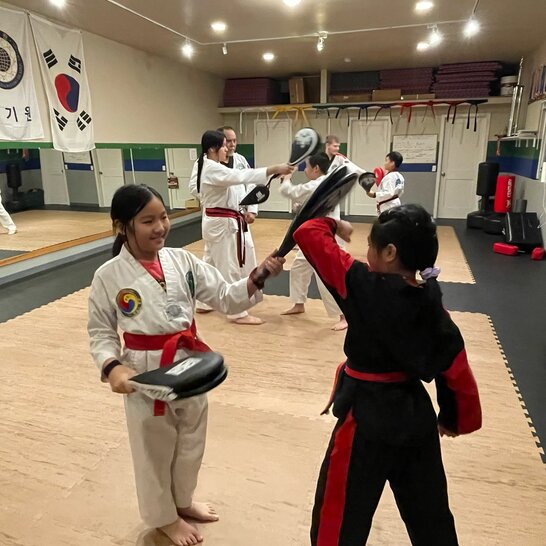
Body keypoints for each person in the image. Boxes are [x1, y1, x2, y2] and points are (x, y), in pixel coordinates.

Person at [88, 184, 285, 546]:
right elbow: (100, 332)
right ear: (121, 226)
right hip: (145, 374)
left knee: (191, 440)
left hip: (191, 363)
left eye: (163, 217)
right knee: (154, 448)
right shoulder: (109, 276)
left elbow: (226, 297)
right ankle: (163, 517)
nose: (161, 227)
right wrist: (113, 367)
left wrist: (258, 276)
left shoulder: (183, 261)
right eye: (148, 221)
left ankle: (182, 500)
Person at [293, 204, 482, 546]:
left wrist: (333, 224)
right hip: (416, 420)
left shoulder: (363, 285)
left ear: (390, 252)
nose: (365, 254)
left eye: (371, 246)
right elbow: (456, 368)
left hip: (365, 419)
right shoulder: (431, 300)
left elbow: (307, 234)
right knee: (431, 516)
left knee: (340, 516)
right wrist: (454, 418)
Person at [189, 129, 294, 325]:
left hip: (220, 221)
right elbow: (241, 177)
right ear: (212, 148)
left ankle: (204, 302)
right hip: (222, 223)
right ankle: (236, 312)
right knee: (229, 266)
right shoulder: (211, 168)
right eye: (223, 145)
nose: (226, 148)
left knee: (210, 264)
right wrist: (274, 168)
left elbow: (241, 180)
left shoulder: (212, 165)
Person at [279, 152, 348, 331]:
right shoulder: (324, 183)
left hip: (324, 238)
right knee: (298, 268)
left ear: (316, 168)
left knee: (325, 278)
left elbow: (289, 191)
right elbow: (310, 205)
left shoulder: (318, 184)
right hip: (314, 236)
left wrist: (286, 178)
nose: (306, 169)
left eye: (307, 166)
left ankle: (344, 316)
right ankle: (298, 303)